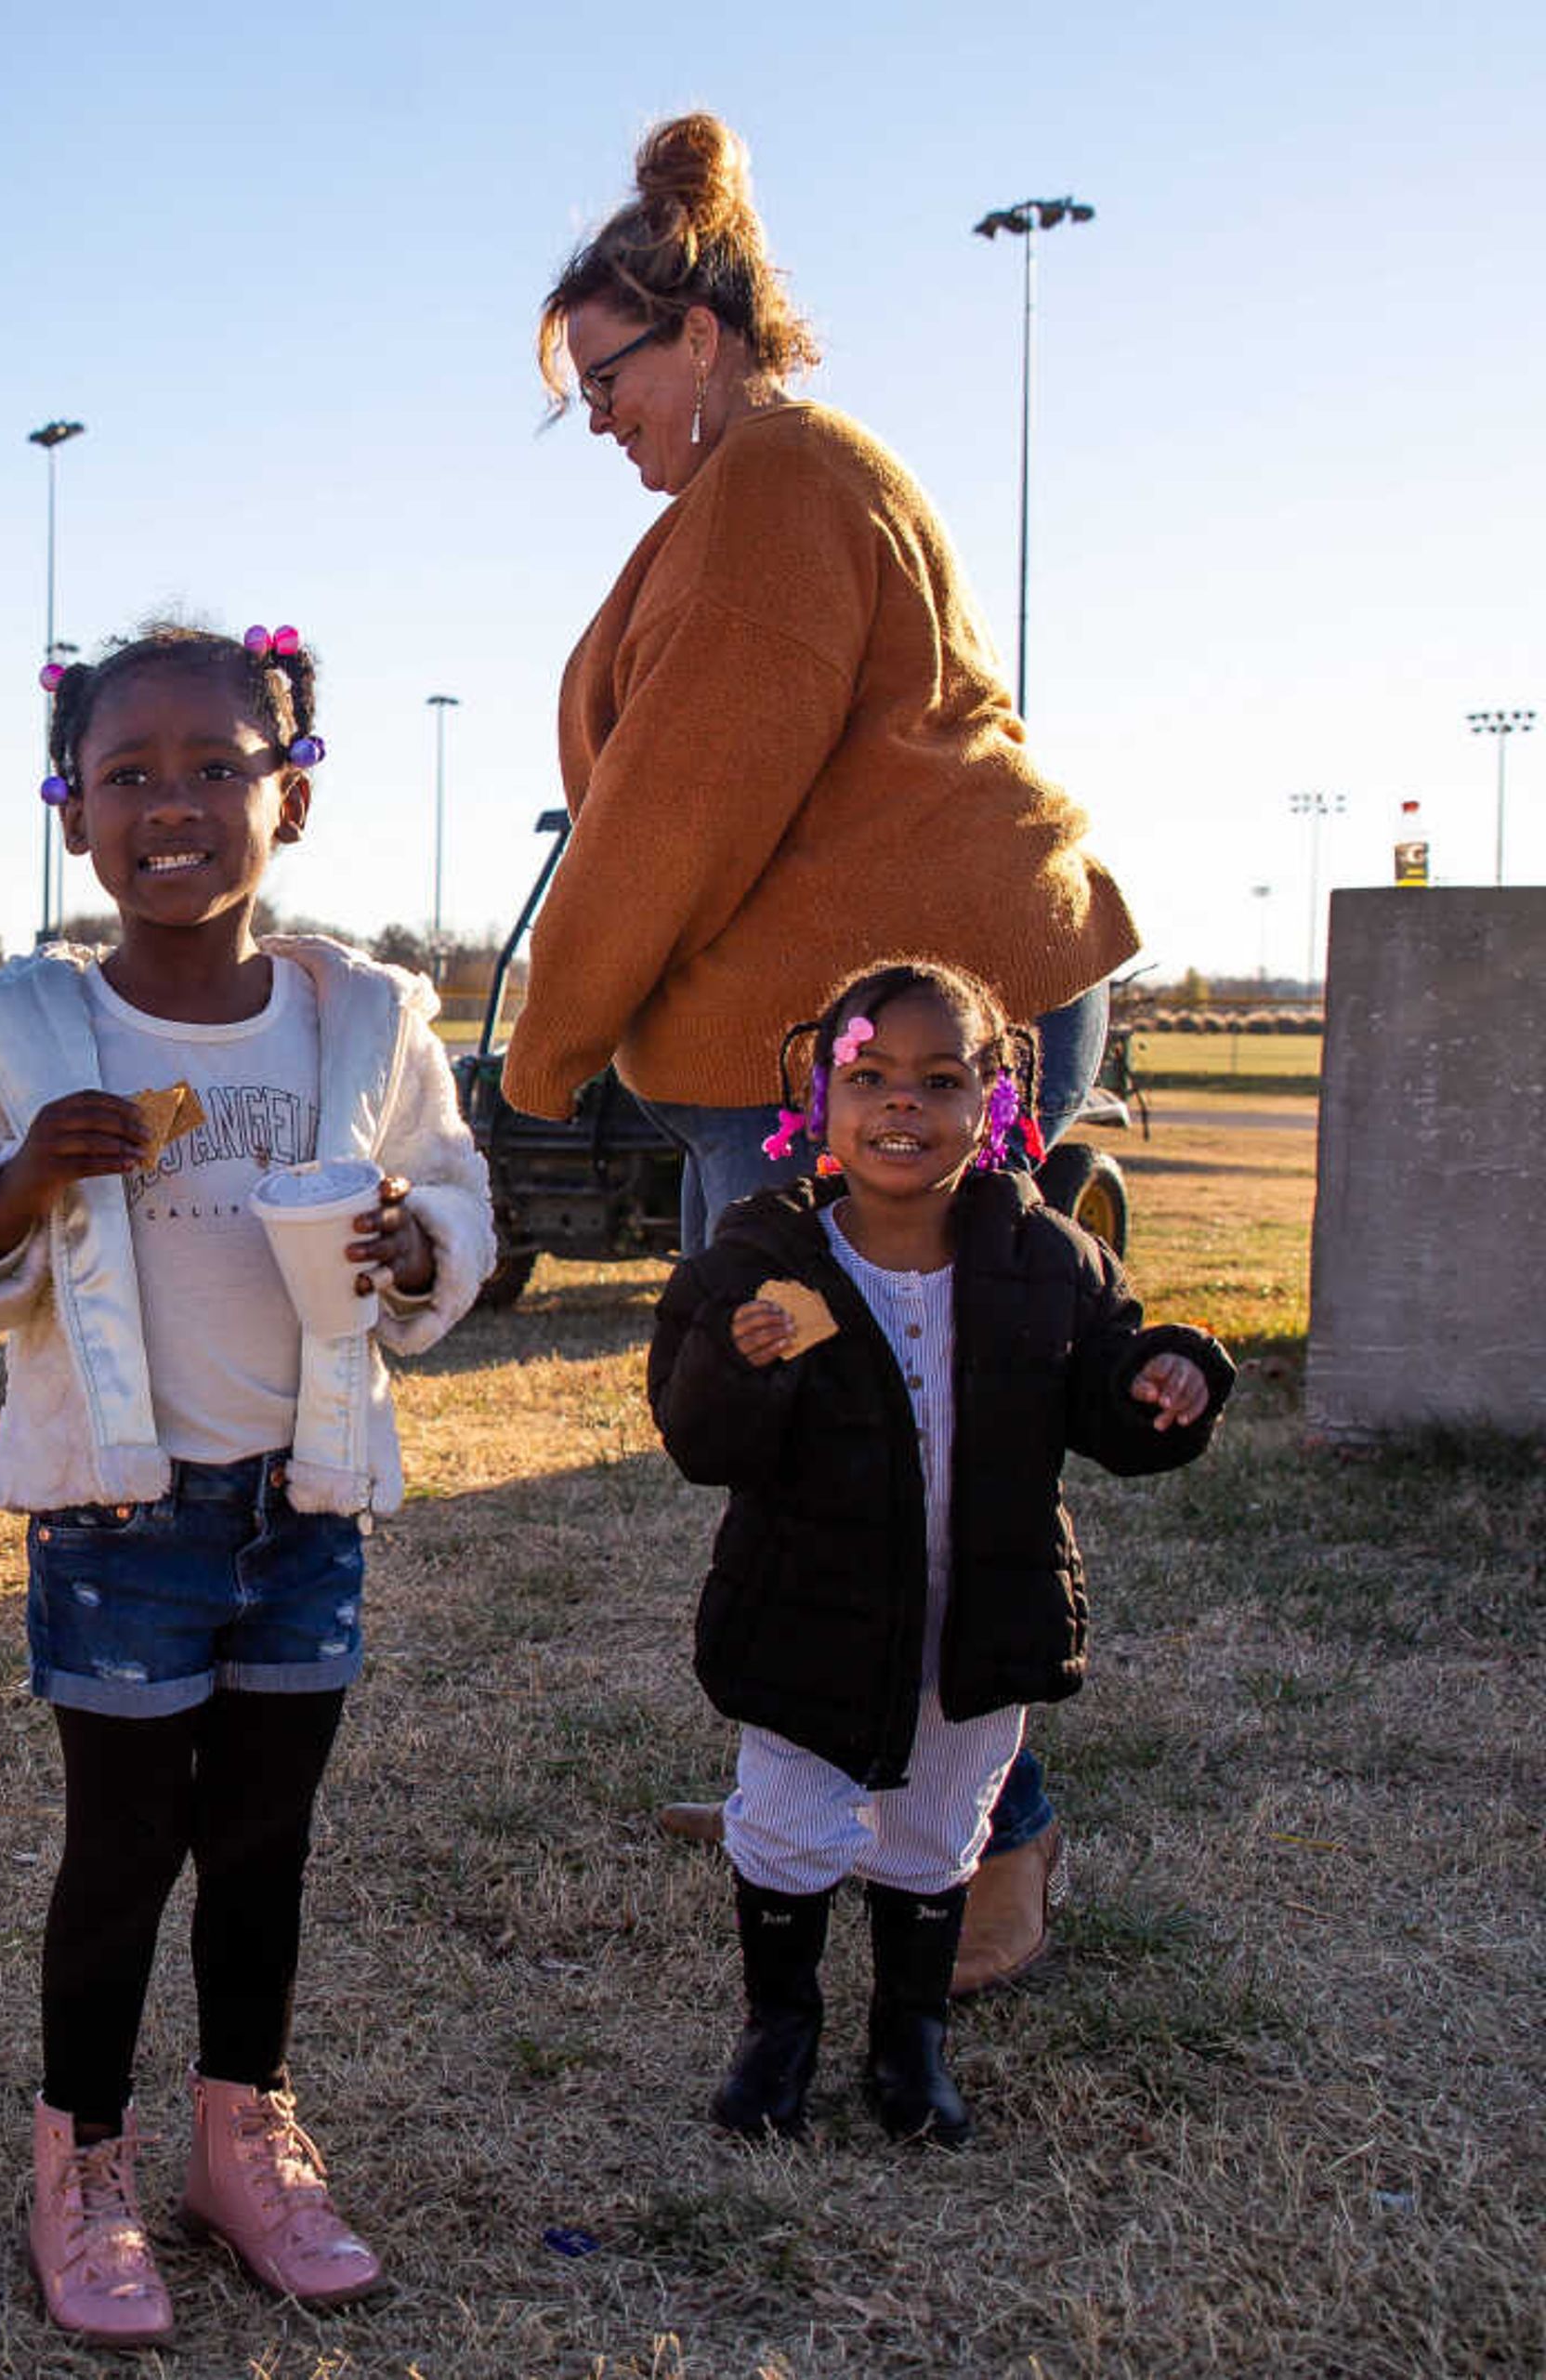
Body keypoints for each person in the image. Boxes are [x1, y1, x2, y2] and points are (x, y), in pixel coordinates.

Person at [513, 113, 1147, 1979]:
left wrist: (540, 1052)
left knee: (909, 1449)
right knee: (829, 1444)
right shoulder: (755, 483)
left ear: (699, 336)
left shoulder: (776, 483)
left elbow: (678, 806)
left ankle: (987, 1854)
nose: (599, 416)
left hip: (892, 1034)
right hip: (834, 1020)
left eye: (606, 375)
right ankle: (843, 1790)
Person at [0, 623, 492, 2347]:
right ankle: (79, 2161)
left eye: (217, 765)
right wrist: (13, 1187)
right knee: (129, 1842)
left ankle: (244, 2140)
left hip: (307, 1502)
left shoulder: (363, 1018)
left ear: (287, 793)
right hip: (121, 1514)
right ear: (73, 811)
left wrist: (415, 1240)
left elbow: (457, 1192)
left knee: (268, 1838)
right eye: (129, 772)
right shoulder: (21, 1028)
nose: (174, 803)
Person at [649, 959, 1230, 2148]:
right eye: (868, 1076)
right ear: (819, 1099)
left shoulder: (1046, 1259)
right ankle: (781, 2032)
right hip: (810, 1608)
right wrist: (741, 1364)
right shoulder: (762, 1259)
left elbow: (1108, 1398)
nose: (900, 1104)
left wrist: (1168, 1373)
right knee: (790, 1817)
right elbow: (699, 1437)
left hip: (983, 1611)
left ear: (995, 1100)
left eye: (939, 1078)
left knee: (937, 1826)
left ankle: (910, 2039)